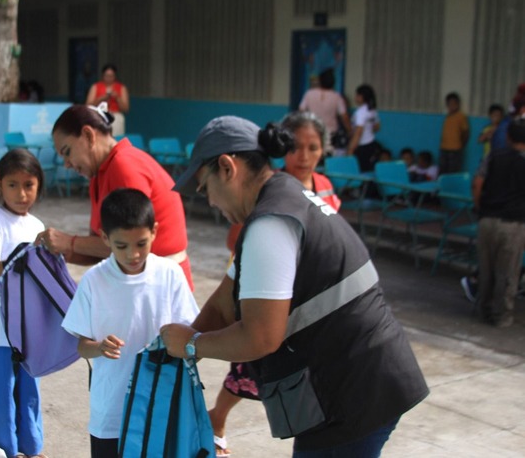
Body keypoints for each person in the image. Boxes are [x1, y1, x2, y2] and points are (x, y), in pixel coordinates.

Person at [161, 115, 428, 457]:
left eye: (204, 188)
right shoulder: (282, 198)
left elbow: (260, 337)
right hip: (367, 381)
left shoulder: (269, 224)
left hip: (354, 394)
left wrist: (193, 345)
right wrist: (178, 349)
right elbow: (225, 300)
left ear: (227, 168)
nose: (209, 201)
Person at [209, 112, 342, 457]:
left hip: (300, 301)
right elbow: (236, 247)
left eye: (314, 148)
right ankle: (218, 417)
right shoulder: (271, 194)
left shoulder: (310, 194)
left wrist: (191, 345)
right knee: (247, 368)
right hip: (261, 286)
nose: (305, 155)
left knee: (264, 354)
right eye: (298, 147)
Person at [62, 188, 199, 458]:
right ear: (104, 238)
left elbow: (190, 333)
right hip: (111, 411)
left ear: (155, 232)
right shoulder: (94, 280)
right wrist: (99, 347)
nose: (133, 255)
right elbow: (81, 347)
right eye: (121, 246)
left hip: (159, 404)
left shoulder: (169, 274)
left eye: (141, 244)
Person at [37, 104, 194, 290]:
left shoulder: (124, 165)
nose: (67, 164)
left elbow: (129, 243)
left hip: (161, 288)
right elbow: (103, 247)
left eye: (67, 152)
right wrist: (62, 251)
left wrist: (69, 242)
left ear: (88, 135)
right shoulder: (99, 174)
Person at [0, 149, 46, 457]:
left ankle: (31, 448)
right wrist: (23, 258)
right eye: (13, 185)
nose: (21, 193)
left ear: (38, 186)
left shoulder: (38, 225)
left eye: (29, 185)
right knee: (1, 397)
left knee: (29, 393)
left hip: (28, 332)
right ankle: (3, 450)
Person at [472, 117, 525, 328]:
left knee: (486, 270)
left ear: (507, 136)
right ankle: (502, 316)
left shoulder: (494, 156)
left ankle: (483, 309)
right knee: (508, 273)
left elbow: (477, 183)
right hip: (514, 224)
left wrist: (479, 207)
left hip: (487, 220)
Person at [298, 68, 351, 156]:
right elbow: (344, 117)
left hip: (313, 132)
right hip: (331, 136)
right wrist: (350, 131)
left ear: (320, 81)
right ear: (333, 82)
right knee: (330, 159)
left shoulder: (309, 94)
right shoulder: (337, 97)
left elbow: (300, 112)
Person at [86, 64, 130, 136]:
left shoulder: (121, 88)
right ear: (103, 76)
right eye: (107, 76)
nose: (109, 78)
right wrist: (101, 98)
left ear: (115, 76)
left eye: (111, 76)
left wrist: (117, 98)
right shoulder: (95, 87)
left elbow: (126, 108)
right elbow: (88, 106)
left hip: (115, 116)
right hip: (99, 116)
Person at [347, 84, 381, 172]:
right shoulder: (372, 110)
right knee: (368, 169)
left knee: (359, 171)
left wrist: (351, 149)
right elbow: (377, 127)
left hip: (361, 146)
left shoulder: (361, 112)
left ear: (362, 97)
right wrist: (368, 131)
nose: (355, 97)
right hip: (371, 143)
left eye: (357, 95)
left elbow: (358, 132)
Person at [438, 92, 470, 175]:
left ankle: (451, 187)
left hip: (455, 149)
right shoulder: (447, 116)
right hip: (444, 148)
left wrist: (461, 145)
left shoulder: (461, 116)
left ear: (458, 104)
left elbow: (466, 132)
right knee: (442, 170)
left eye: (454, 103)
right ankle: (443, 187)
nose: (452, 106)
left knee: (453, 171)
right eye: (449, 104)